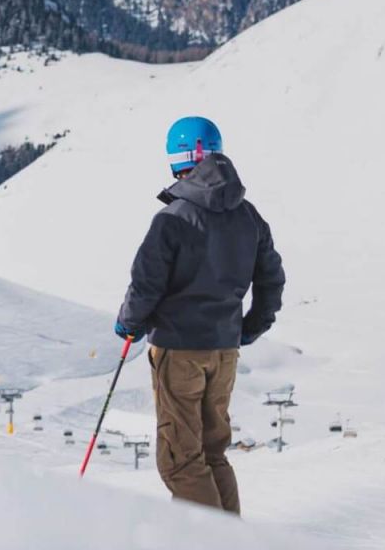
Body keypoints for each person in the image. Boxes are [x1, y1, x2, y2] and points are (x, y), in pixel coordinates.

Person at [114, 116, 286, 515]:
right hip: (224, 351)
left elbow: (146, 283)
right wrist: (249, 328)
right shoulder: (248, 215)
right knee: (213, 453)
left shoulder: (173, 219)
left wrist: (129, 323)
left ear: (177, 162)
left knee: (180, 460)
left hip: (179, 351)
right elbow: (271, 280)